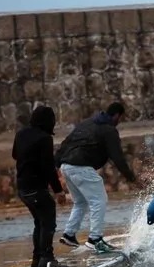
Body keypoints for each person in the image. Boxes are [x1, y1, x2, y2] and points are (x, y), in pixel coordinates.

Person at [55, 102, 137, 250]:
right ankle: (95, 239)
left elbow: (66, 143)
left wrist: (56, 166)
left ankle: (69, 234)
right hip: (81, 166)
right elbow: (117, 157)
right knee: (99, 201)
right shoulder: (109, 130)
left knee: (80, 202)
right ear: (118, 115)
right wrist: (131, 178)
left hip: (66, 165)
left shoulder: (87, 123)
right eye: (121, 118)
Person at [12, 105, 69, 267]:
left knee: (39, 222)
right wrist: (58, 190)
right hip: (36, 187)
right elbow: (48, 168)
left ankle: (37, 258)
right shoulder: (44, 138)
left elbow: (15, 154)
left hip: (23, 187)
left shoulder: (21, 134)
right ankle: (47, 258)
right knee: (47, 222)